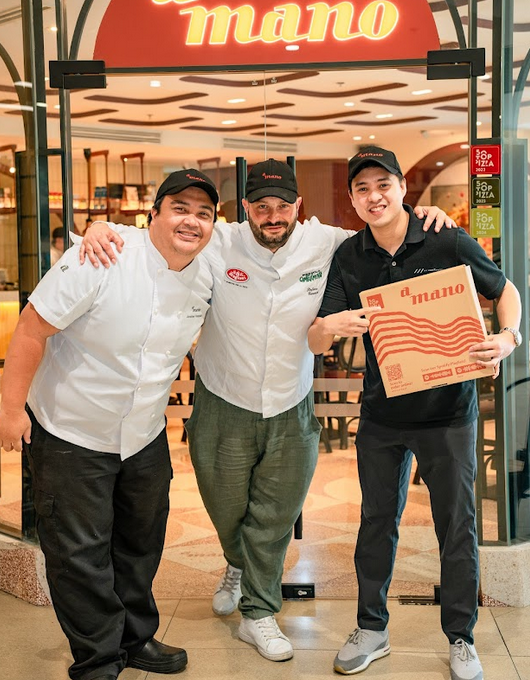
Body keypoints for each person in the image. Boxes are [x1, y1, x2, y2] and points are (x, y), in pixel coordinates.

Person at [80, 158, 454, 664]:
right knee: (226, 508)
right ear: (246, 210)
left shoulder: (328, 243)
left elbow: (385, 227)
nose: (272, 215)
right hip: (223, 401)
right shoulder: (218, 239)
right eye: (261, 206)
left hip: (290, 404)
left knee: (274, 518)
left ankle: (259, 611)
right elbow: (157, 233)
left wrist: (428, 213)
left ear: (299, 207)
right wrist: (99, 225)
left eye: (282, 206)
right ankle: (237, 564)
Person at [307, 147, 522, 680]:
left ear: (402, 187)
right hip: (382, 413)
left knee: (457, 525)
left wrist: (508, 337)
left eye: (383, 184)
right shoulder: (350, 257)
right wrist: (336, 327)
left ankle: (461, 636)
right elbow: (316, 334)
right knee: (377, 522)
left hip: (449, 413)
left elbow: (506, 290)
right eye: (361, 189)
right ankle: (372, 628)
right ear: (353, 200)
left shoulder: (445, 238)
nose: (373, 196)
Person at [0, 169, 219, 680]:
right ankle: (98, 659)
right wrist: (11, 411)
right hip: (72, 431)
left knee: (140, 542)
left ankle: (134, 638)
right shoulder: (101, 256)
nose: (191, 221)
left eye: (204, 213)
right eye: (180, 208)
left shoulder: (206, 272)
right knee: (79, 555)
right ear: (155, 214)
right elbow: (31, 328)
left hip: (143, 434)